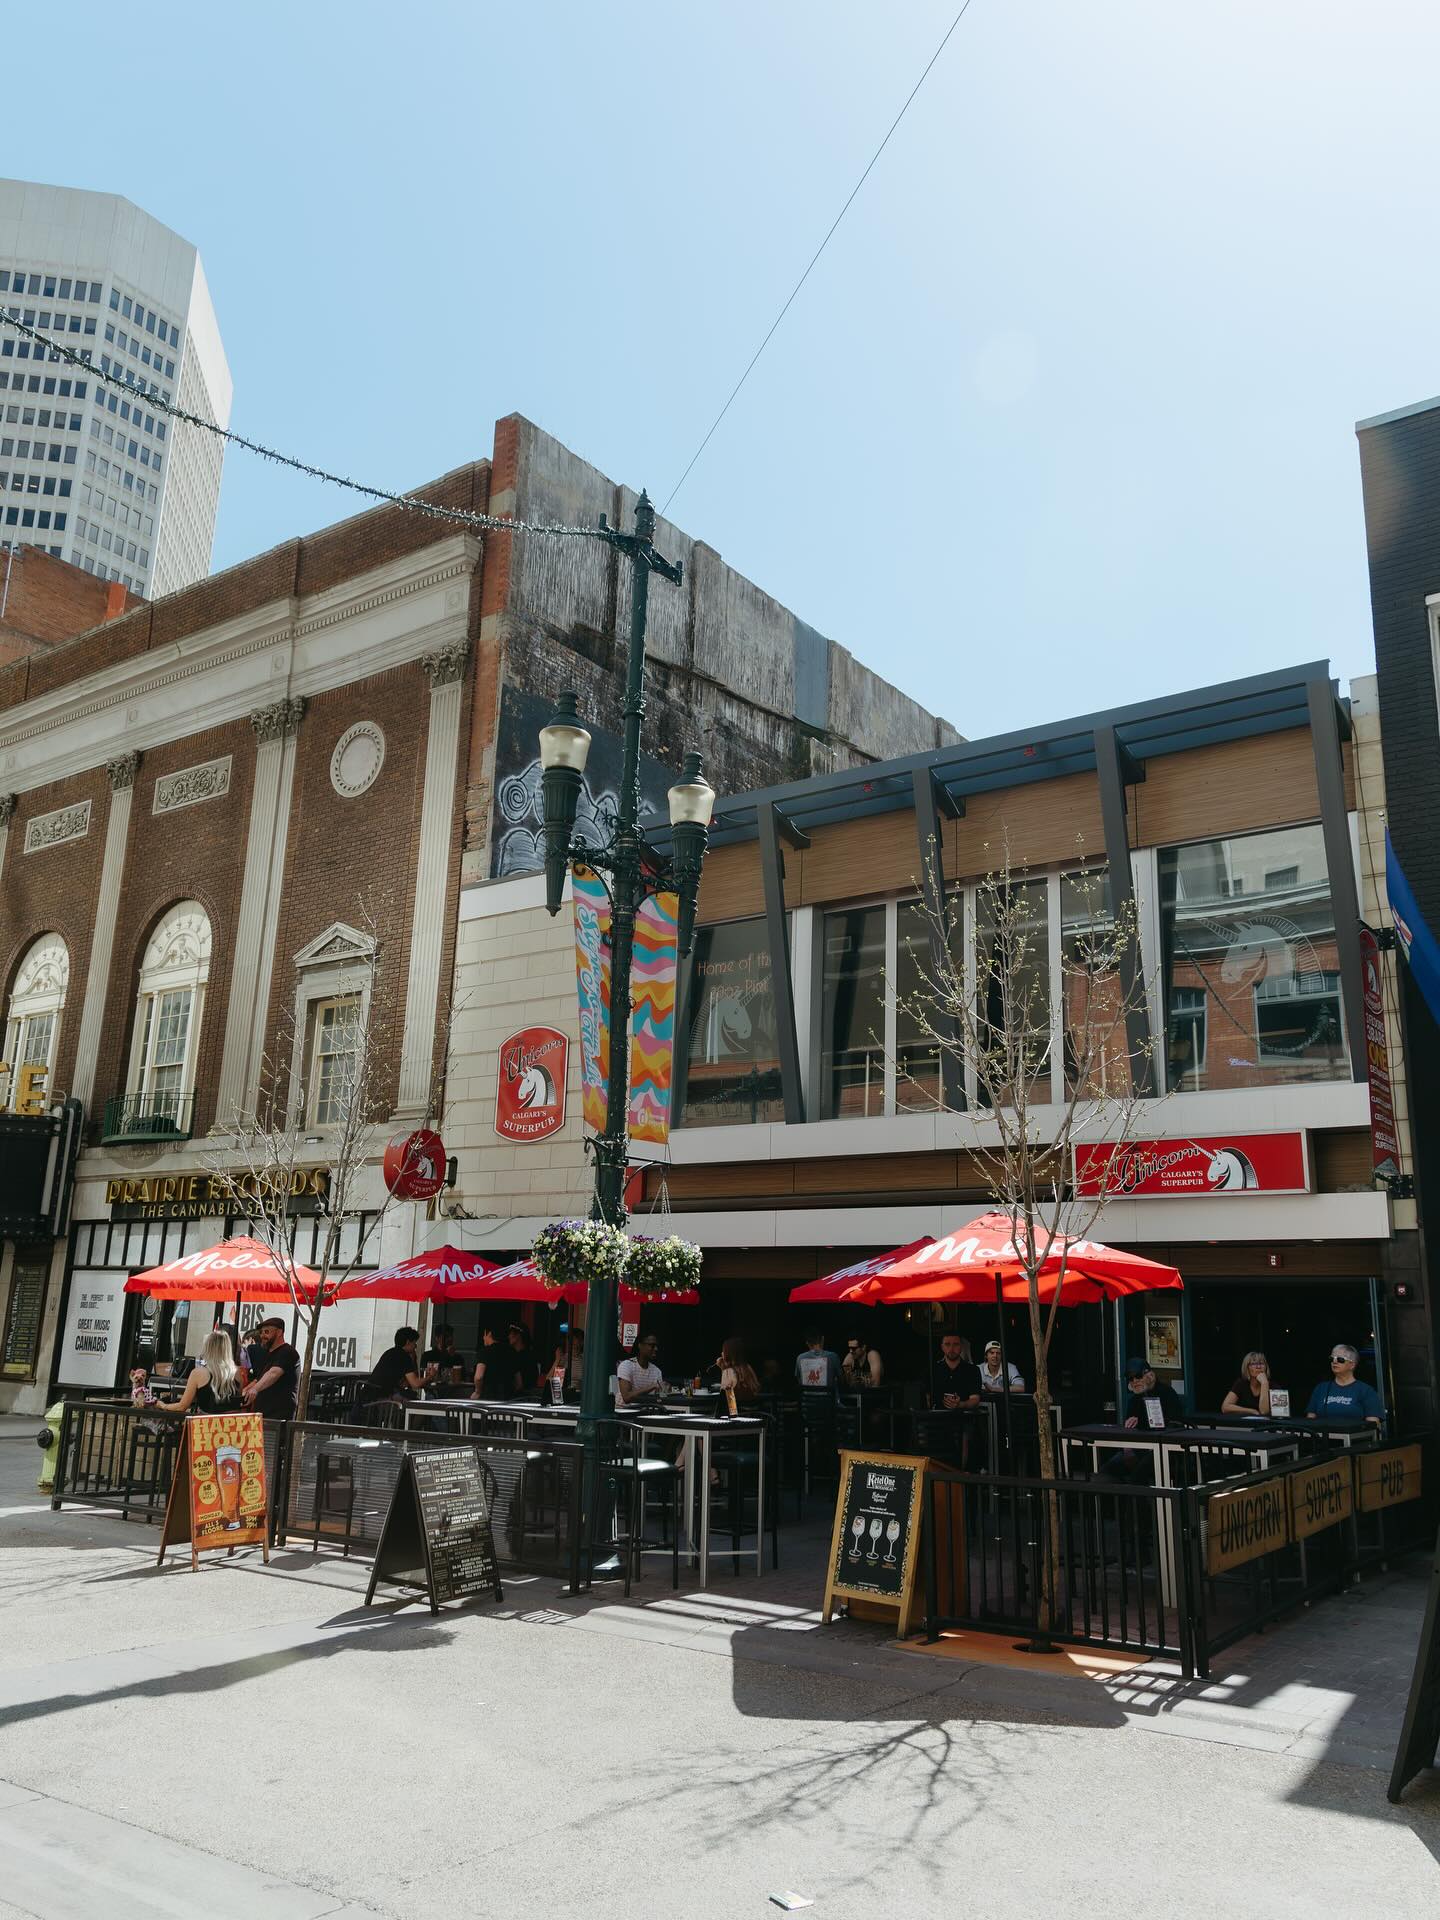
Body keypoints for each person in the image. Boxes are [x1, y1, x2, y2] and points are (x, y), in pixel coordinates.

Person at [151, 1331, 244, 1416]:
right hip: (231, 1428)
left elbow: (182, 1406)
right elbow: (233, 1402)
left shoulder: (198, 1373)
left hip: (205, 1426)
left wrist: (163, 1405)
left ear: (208, 1349)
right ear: (227, 1349)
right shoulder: (237, 1373)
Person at [1306, 1344, 1383, 1427]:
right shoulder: (1321, 1388)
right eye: (1332, 1358)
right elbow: (1310, 1421)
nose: (1334, 1362)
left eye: (1340, 1359)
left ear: (1352, 1365)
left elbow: (1373, 1425)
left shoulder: (1366, 1391)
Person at [241, 1318, 300, 1419]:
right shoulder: (268, 1354)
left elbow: (274, 1373)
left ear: (279, 1332)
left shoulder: (287, 1352)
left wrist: (255, 1389)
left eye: (267, 1332)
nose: (262, 1335)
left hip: (279, 1416)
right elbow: (260, 1378)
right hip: (264, 1415)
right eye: (261, 1332)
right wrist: (247, 1389)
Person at [360, 1327, 430, 1406]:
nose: (415, 1346)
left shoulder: (389, 1352)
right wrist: (431, 1376)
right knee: (420, 1407)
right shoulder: (404, 1357)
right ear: (408, 1342)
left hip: (368, 1397)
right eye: (414, 1342)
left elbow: (404, 1382)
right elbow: (415, 1384)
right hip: (383, 1398)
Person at [932, 1332, 982, 1410]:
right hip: (937, 1418)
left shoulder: (973, 1370)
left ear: (961, 1347)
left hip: (964, 1418)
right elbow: (928, 1399)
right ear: (942, 1347)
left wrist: (961, 1405)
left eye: (956, 1344)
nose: (951, 1349)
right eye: (947, 1344)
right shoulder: (933, 1370)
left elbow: (975, 1399)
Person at [615, 1331, 665, 1409]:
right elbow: (626, 1398)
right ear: (640, 1345)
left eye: (656, 1346)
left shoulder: (657, 1371)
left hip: (644, 1412)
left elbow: (659, 1398)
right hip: (623, 1411)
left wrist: (665, 1390)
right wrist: (652, 1387)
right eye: (652, 1345)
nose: (656, 1349)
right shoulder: (626, 1365)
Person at [1222, 1351, 1276, 1417]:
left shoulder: (1273, 1386)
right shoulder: (1241, 1383)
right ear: (1247, 1368)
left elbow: (1264, 1412)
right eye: (1253, 1364)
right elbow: (1225, 1407)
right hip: (1244, 1425)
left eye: (1261, 1363)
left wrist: (1264, 1383)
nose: (1258, 1367)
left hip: (1267, 1426)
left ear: (1266, 1367)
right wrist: (1251, 1411)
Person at [717, 1337, 760, 1407]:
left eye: (723, 1351)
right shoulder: (747, 1367)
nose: (721, 1353)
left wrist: (723, 1369)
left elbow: (724, 1398)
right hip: (754, 1412)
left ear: (728, 1353)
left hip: (736, 1412)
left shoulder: (728, 1371)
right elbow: (756, 1389)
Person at [472, 1326, 509, 1399]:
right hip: (508, 1400)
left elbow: (479, 1377)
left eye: (484, 1335)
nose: (483, 1338)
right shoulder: (511, 1352)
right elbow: (519, 1383)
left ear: (489, 1334)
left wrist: (477, 1392)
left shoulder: (485, 1351)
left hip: (488, 1399)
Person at [507, 1324, 540, 1401]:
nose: (508, 1336)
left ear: (518, 1336)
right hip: (530, 1399)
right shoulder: (531, 1356)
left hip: (518, 1399)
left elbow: (519, 1385)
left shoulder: (516, 1357)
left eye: (511, 1334)